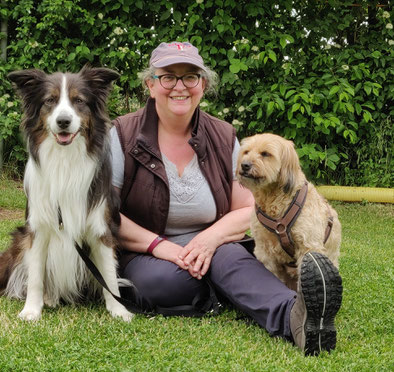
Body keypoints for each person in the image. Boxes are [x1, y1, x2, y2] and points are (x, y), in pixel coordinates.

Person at [110, 41, 342, 355]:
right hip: (146, 250)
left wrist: (208, 241)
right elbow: (104, 213)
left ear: (202, 86)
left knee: (231, 261)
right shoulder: (121, 134)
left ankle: (297, 319)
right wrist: (160, 246)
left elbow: (245, 207)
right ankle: (235, 287)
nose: (180, 86)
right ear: (150, 85)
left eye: (190, 77)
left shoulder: (223, 135)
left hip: (215, 245)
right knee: (160, 283)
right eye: (168, 77)